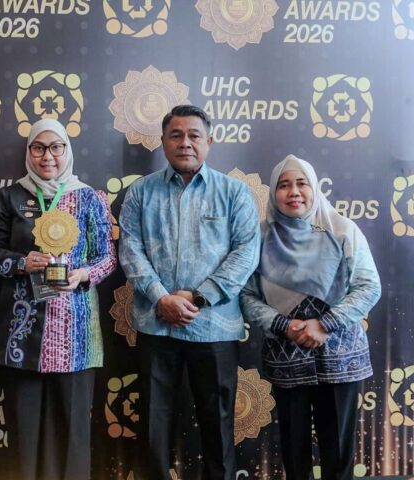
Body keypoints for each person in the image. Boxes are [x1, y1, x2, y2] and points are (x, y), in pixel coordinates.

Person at [119, 105, 260, 480]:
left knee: (218, 422)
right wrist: (162, 298)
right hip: (157, 324)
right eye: (176, 135)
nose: (185, 143)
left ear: (208, 141)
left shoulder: (234, 193)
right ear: (163, 142)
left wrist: (197, 298)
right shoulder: (141, 192)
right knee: (153, 422)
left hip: (215, 327)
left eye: (194, 135)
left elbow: (246, 253)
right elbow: (130, 250)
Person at [0, 118, 117, 480]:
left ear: (66, 151)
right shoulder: (10, 197)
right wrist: (21, 262)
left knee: (72, 434)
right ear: (29, 152)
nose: (47, 156)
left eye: (56, 147)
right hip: (22, 335)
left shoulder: (89, 197)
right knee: (23, 435)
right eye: (39, 148)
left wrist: (83, 275)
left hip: (75, 335)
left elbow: (107, 258)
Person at [240, 154, 380, 480]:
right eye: (284, 185)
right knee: (294, 452)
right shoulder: (260, 237)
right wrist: (283, 325)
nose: (294, 192)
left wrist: (325, 324)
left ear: (315, 188)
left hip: (340, 359)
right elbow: (245, 295)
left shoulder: (342, 230)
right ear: (273, 192)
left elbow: (369, 287)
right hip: (286, 357)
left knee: (339, 452)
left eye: (302, 183)